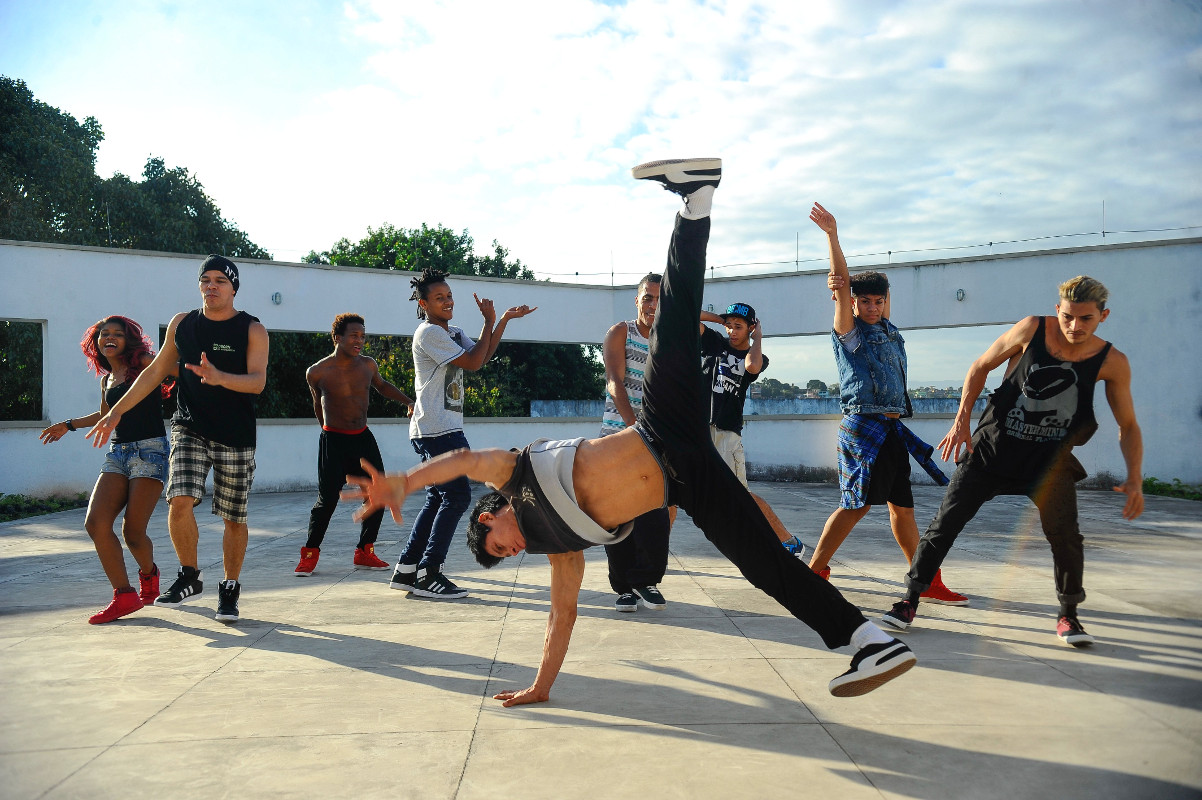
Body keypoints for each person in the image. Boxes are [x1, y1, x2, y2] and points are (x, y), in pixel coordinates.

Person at [347, 159, 916, 706]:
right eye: (507, 555)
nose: (513, 548)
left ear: (489, 514)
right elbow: (561, 618)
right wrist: (541, 686)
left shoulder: (512, 475)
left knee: (670, 320)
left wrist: (404, 481)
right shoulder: (561, 548)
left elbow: (464, 463)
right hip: (687, 482)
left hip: (660, 429)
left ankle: (695, 203)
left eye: (499, 542)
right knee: (763, 565)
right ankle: (868, 641)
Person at [881, 276, 1144, 647]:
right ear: (1058, 310)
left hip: (1048, 465)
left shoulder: (1111, 361)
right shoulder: (1032, 329)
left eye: (1086, 319)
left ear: (1103, 316)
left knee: (1066, 537)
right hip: (991, 452)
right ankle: (908, 601)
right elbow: (980, 365)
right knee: (945, 525)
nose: (1075, 326)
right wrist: (961, 420)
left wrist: (1135, 476)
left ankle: (1069, 616)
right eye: (1068, 317)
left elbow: (1128, 425)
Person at [89, 254, 268, 623]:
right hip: (189, 427)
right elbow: (155, 371)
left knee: (233, 516)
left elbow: (257, 382)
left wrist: (220, 378)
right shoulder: (183, 324)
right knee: (180, 500)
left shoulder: (252, 329)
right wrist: (116, 410)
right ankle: (189, 575)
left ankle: (230, 585)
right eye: (206, 280)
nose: (211, 286)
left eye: (220, 280)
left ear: (233, 287)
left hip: (235, 435)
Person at [805, 204, 966, 606]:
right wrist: (832, 236)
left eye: (879, 301)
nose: (873, 308)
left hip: (892, 429)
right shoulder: (851, 334)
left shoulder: (888, 329)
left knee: (903, 509)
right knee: (855, 506)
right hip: (863, 428)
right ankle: (813, 573)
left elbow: (873, 291)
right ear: (855, 305)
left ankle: (924, 579)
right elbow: (842, 285)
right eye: (866, 302)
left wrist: (877, 290)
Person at [387, 268, 536, 599]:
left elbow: (480, 357)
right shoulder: (428, 333)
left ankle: (408, 569)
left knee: (439, 497)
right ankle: (429, 571)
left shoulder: (452, 332)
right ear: (424, 303)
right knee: (456, 497)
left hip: (441, 427)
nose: (447, 302)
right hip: (437, 429)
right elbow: (471, 362)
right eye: (439, 298)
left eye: (449, 295)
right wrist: (491, 323)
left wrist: (501, 320)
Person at [40, 316, 170, 624]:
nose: (109, 338)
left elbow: (170, 369)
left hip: (150, 451)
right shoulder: (107, 379)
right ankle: (124, 595)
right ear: (96, 343)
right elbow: (105, 415)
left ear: (129, 340)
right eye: (103, 334)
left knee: (133, 532)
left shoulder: (143, 362)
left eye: (117, 334)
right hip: (118, 453)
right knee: (96, 523)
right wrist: (69, 425)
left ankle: (149, 576)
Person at [296, 313, 415, 576]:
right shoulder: (316, 372)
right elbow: (318, 404)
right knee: (326, 502)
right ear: (337, 337)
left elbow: (382, 387)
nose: (359, 340)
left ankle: (364, 552)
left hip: (362, 439)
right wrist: (326, 434)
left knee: (378, 492)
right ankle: (309, 555)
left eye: (362, 336)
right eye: (354, 335)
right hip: (333, 441)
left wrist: (408, 401)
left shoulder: (368, 365)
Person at [699, 302, 808, 557]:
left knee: (741, 496)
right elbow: (688, 312)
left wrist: (757, 337)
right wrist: (720, 319)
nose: (732, 332)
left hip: (726, 434)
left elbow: (752, 367)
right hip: (700, 429)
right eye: (730, 326)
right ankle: (748, 542)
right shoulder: (715, 342)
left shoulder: (755, 355)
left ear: (751, 328)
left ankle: (789, 542)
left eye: (739, 327)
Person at [599, 274, 673, 612]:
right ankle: (624, 588)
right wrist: (634, 427)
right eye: (648, 298)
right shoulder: (620, 332)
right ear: (637, 300)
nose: (653, 305)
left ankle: (646, 579)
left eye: (660, 299)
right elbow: (615, 382)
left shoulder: (669, 338)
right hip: (618, 436)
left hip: (654, 439)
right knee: (617, 515)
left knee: (655, 512)